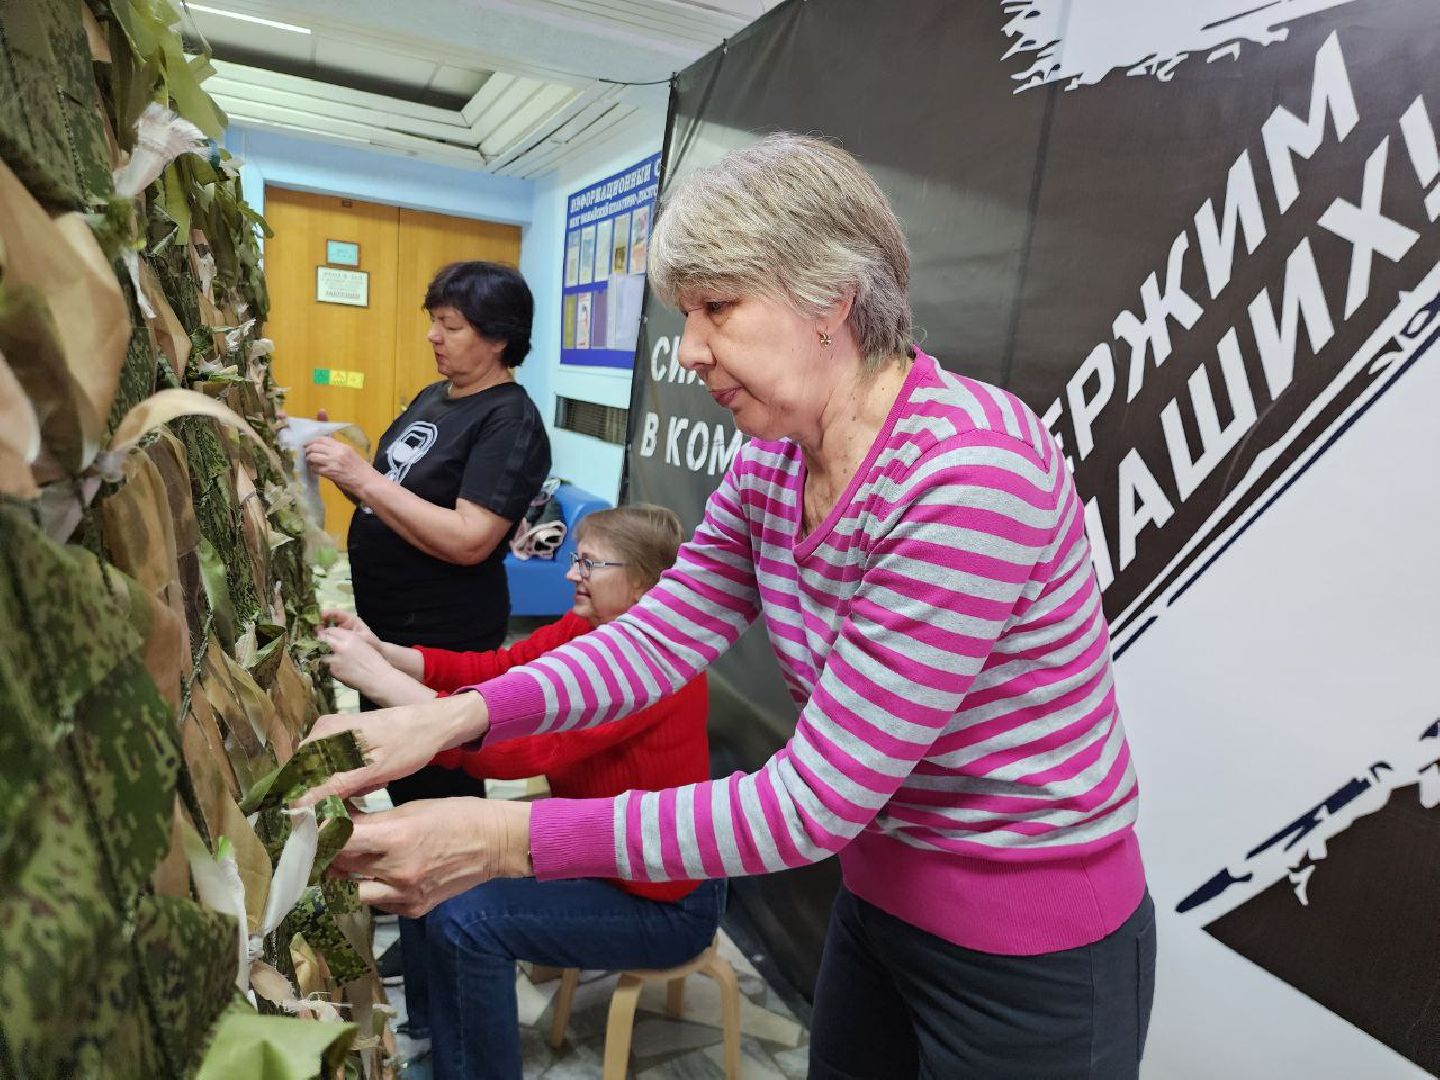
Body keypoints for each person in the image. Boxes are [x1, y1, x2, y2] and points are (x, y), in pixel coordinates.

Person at [305, 134, 1155, 1079]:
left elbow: (815, 800)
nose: (690, 348)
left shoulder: (967, 474)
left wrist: (505, 838)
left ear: (832, 299)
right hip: (880, 908)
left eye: (717, 307)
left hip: (1027, 951)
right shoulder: (775, 455)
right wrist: (457, 716)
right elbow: (656, 636)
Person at [320, 506, 721, 1079]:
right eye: (575, 558)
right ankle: (437, 1035)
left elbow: (516, 753)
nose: (569, 573)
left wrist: (383, 685)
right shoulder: (588, 630)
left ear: (643, 585)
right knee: (421, 848)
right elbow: (496, 671)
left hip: (662, 900)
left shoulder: (658, 669)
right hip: (599, 848)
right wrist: (387, 653)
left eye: (588, 562)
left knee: (465, 919)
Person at [303, 259, 550, 1039]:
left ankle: (451, 970)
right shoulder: (433, 398)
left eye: (452, 326)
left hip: (443, 640)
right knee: (404, 789)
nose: (434, 338)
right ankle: (424, 935)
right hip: (391, 630)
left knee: (439, 803)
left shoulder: (510, 421)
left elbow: (472, 538)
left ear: (500, 337)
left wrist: (361, 481)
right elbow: (404, 492)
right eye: (433, 321)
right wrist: (341, 471)